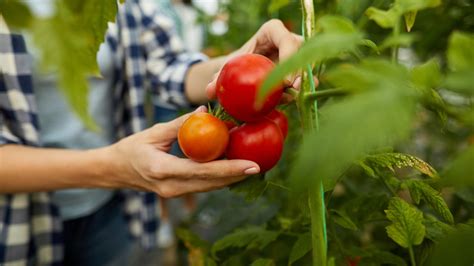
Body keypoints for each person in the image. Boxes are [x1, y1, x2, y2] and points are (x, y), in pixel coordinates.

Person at [0, 0, 303, 265]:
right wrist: (113, 168)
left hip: (110, 211)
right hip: (16, 225)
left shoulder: (122, 4)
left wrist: (245, 63)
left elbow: (170, 67)